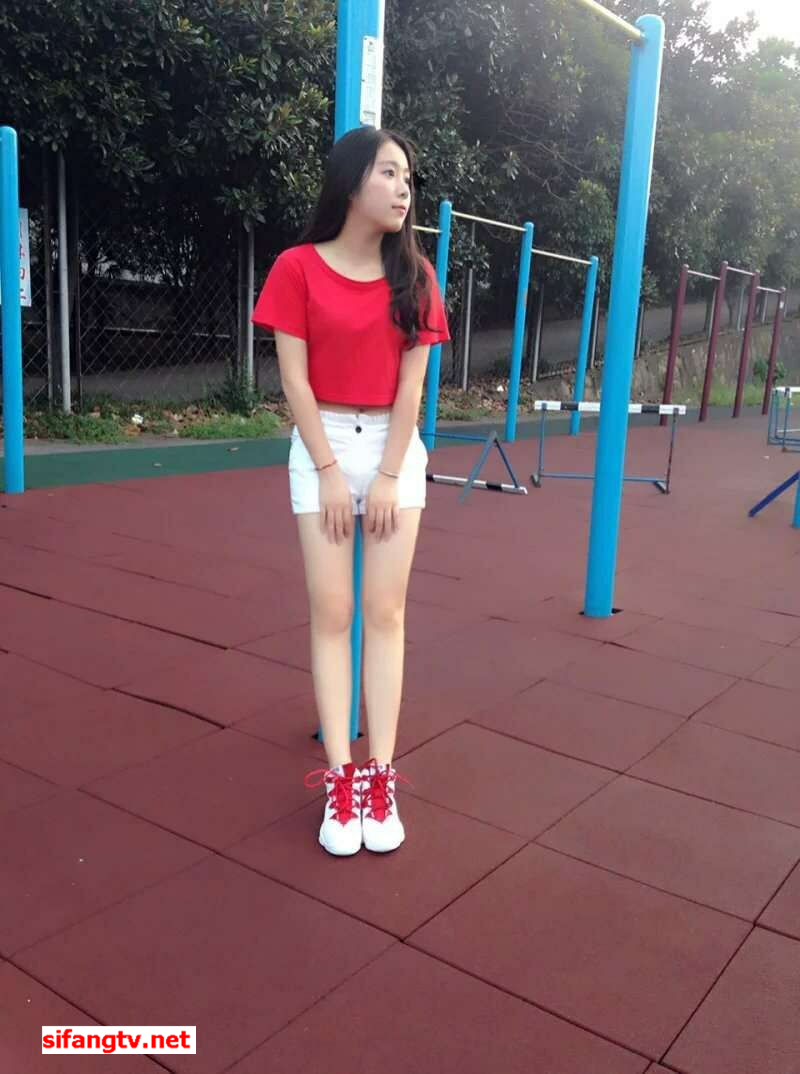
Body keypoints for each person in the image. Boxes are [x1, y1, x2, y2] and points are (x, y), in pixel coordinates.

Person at [252, 127, 450, 857]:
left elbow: (411, 390)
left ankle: (380, 774)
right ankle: (341, 778)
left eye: (408, 177)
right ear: (351, 181)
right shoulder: (297, 268)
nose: (403, 188)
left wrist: (390, 475)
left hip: (393, 447)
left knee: (385, 613)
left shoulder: (416, 277)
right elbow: (295, 381)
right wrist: (331, 471)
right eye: (389, 172)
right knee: (333, 613)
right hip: (323, 445)